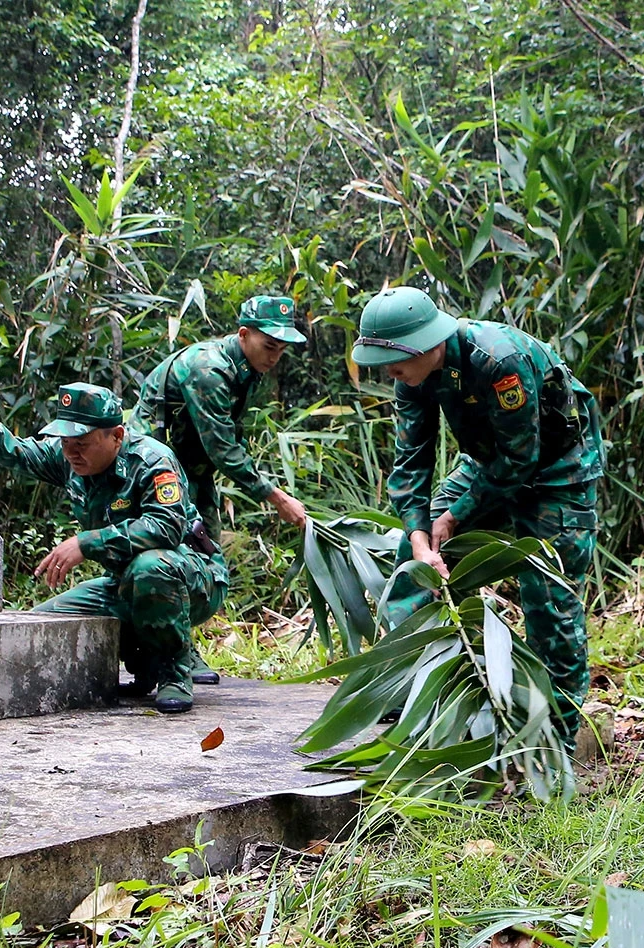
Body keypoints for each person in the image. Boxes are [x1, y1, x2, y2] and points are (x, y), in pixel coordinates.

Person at [353, 286, 604, 749]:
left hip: (557, 472)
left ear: (427, 344)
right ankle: (415, 688)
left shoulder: (498, 361)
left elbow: (521, 460)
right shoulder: (411, 377)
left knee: (551, 601)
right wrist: (419, 531)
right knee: (412, 568)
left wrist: (454, 516)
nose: (389, 372)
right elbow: (411, 462)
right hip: (487, 465)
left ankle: (557, 735)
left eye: (394, 360)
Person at [0, 357, 227, 714]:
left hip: (192, 577)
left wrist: (86, 543)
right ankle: (146, 655)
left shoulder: (152, 461)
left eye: (83, 442)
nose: (71, 451)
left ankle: (173, 670)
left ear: (116, 436)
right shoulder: (69, 457)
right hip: (125, 583)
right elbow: (11, 453)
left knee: (150, 568)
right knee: (43, 625)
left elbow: (165, 527)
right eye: (65, 440)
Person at [132, 294, 309, 685]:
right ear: (244, 334)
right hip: (155, 474)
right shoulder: (208, 368)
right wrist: (276, 497)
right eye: (269, 346)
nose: (275, 357)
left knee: (207, 561)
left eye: (282, 350)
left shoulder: (247, 369)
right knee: (167, 558)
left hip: (192, 472)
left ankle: (178, 645)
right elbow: (223, 447)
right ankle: (168, 656)